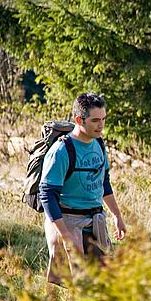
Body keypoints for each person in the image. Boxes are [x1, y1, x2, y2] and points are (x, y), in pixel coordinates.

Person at [39, 92, 127, 285]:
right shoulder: (62, 151)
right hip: (69, 222)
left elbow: (103, 182)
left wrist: (117, 216)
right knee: (78, 285)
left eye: (103, 119)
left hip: (95, 222)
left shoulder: (99, 144)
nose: (101, 125)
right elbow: (47, 195)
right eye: (95, 120)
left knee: (106, 282)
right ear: (79, 120)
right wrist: (66, 235)